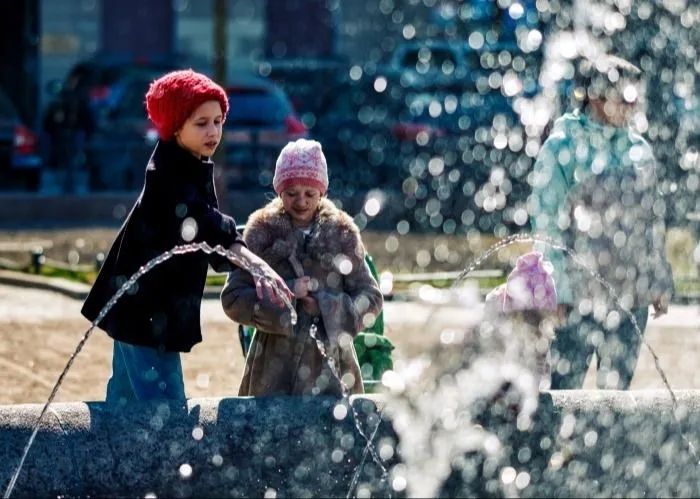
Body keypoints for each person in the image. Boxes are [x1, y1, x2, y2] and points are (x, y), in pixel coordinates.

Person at [81, 69, 293, 405]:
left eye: (218, 121)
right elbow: (202, 222)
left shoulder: (191, 162)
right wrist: (252, 260)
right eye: (201, 123)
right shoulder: (166, 172)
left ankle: (109, 456)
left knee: (123, 408)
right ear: (174, 127)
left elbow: (206, 234)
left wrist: (241, 252)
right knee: (166, 412)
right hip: (144, 312)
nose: (213, 131)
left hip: (139, 309)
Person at [530, 52, 674, 390]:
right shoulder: (562, 147)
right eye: (626, 96)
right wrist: (558, 292)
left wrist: (658, 279)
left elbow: (652, 222)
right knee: (564, 392)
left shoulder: (640, 152)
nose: (634, 105)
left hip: (629, 298)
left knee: (616, 400)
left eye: (637, 97)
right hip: (576, 298)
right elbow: (547, 225)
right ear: (596, 96)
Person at [220, 138, 383, 397]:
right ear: (278, 191)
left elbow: (371, 298)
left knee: (334, 436)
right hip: (271, 370)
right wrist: (285, 296)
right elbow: (233, 298)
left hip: (333, 371)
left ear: (323, 192)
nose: (301, 202)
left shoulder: (342, 233)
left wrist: (327, 306)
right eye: (291, 193)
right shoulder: (261, 233)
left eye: (310, 194)